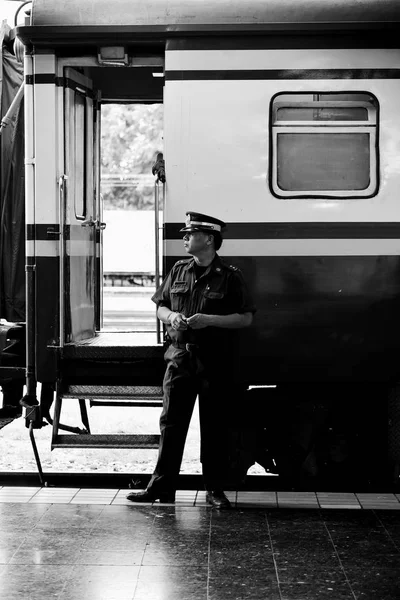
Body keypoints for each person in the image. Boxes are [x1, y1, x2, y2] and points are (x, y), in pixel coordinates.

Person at [127, 211, 256, 509]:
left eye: (191, 233)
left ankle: (214, 490)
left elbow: (245, 318)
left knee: (214, 426)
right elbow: (160, 308)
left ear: (209, 239)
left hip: (214, 361)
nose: (184, 237)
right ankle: (161, 487)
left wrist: (208, 320)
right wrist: (172, 316)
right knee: (171, 425)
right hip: (180, 359)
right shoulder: (179, 270)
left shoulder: (231, 276)